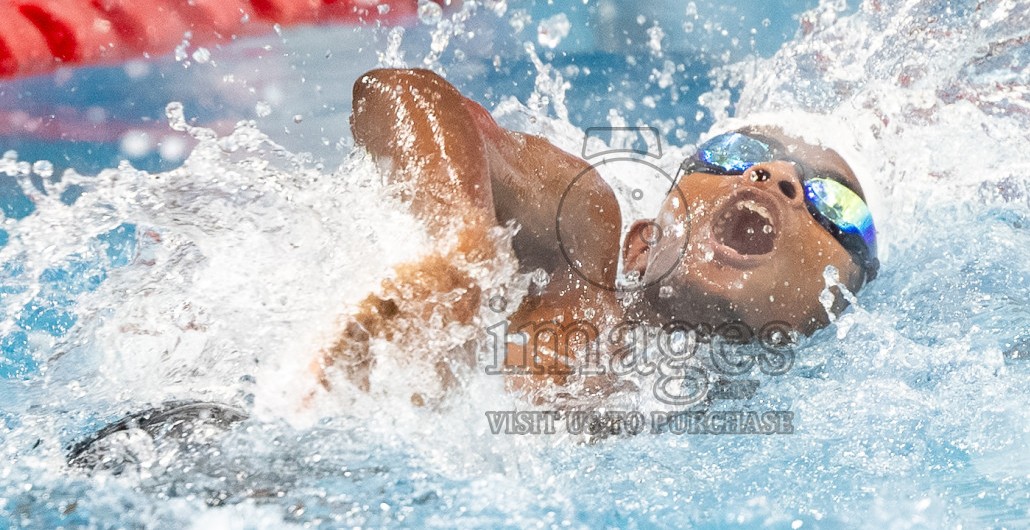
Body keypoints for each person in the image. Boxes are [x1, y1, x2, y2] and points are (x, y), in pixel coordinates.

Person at [312, 68, 879, 398]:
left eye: (833, 200)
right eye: (736, 153)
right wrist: (462, 253)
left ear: (828, 313)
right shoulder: (582, 237)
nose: (776, 175)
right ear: (641, 245)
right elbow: (398, 93)